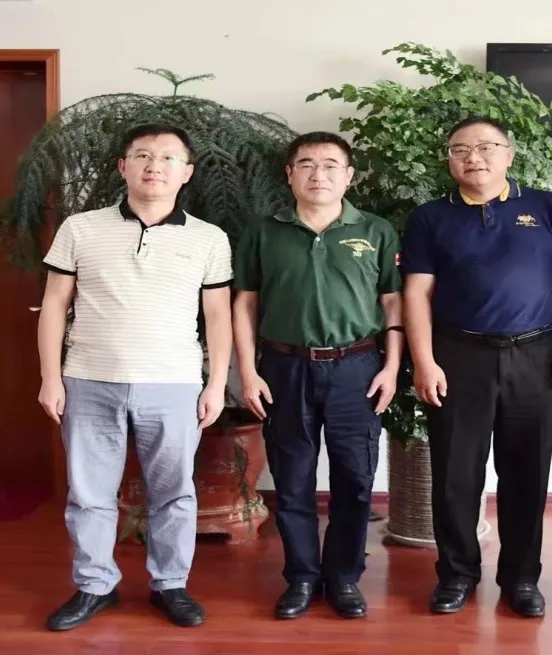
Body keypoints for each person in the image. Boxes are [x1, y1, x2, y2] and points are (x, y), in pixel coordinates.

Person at [37, 123, 233, 631]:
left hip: (174, 384)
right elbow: (55, 304)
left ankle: (170, 584)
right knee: (89, 493)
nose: (154, 166)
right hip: (89, 379)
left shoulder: (209, 238)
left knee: (174, 492)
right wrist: (50, 378)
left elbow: (217, 315)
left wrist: (215, 384)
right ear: (123, 167)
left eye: (168, 158)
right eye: (143, 155)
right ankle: (94, 585)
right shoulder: (80, 228)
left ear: (186, 173)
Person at [402, 116, 552, 618]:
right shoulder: (430, 217)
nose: (474, 157)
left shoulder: (548, 208)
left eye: (486, 147)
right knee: (454, 475)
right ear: (449, 159)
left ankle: (522, 579)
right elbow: (417, 293)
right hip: (457, 356)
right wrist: (424, 361)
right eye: (460, 149)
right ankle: (457, 575)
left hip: (535, 355)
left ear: (509, 155)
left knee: (526, 473)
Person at [232, 131, 403, 620]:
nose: (318, 174)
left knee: (354, 478)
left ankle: (344, 576)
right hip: (284, 367)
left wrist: (392, 367)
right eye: (306, 164)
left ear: (348, 176)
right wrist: (248, 372)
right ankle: (303, 577)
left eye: (330, 165)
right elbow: (244, 304)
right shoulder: (263, 232)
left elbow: (393, 302)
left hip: (358, 369)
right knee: (292, 479)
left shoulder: (375, 231)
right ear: (290, 175)